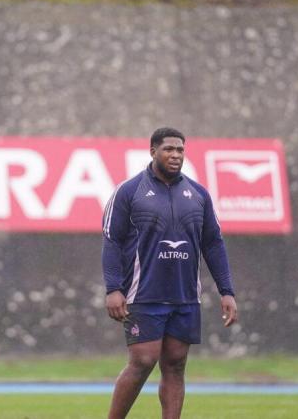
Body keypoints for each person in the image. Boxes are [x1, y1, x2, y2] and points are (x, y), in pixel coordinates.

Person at [101, 127, 238, 419]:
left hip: (185, 296)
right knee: (143, 360)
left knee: (175, 364)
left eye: (180, 150)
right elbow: (112, 241)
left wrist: (227, 290)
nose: (175, 155)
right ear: (153, 152)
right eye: (169, 150)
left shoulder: (199, 194)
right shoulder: (129, 191)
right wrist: (113, 288)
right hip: (143, 294)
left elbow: (213, 244)